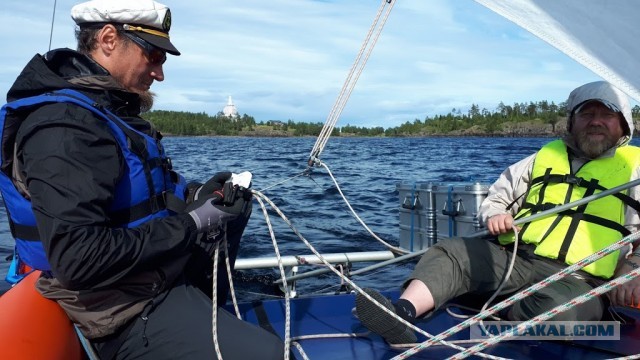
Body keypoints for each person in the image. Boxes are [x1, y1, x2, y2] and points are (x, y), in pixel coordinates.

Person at [0, 0, 285, 359]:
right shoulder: (65, 127)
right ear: (107, 39)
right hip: (112, 306)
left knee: (234, 211)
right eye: (154, 55)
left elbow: (141, 193)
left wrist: (199, 194)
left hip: (147, 276)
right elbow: (78, 259)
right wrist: (193, 223)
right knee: (266, 353)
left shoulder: (107, 111)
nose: (160, 72)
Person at [355, 80, 640, 344]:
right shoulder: (542, 159)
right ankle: (400, 314)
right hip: (519, 259)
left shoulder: (635, 169)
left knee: (558, 314)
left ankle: (504, 306)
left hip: (582, 280)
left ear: (623, 125)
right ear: (572, 122)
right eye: (587, 114)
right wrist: (494, 215)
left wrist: (632, 268)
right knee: (453, 252)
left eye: (607, 115)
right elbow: (496, 197)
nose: (596, 122)